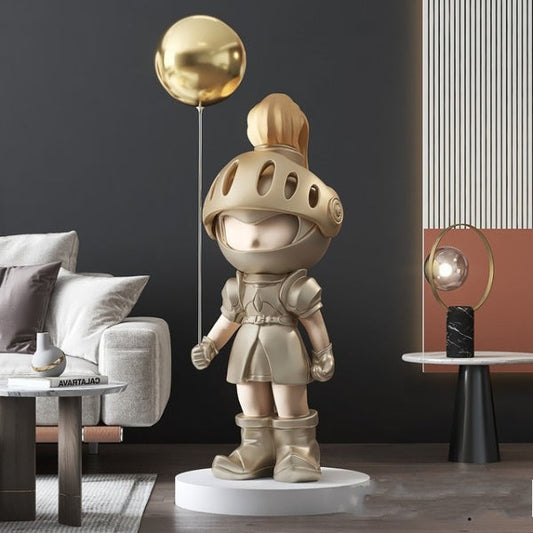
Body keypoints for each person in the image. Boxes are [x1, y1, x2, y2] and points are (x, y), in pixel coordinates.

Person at [191, 93, 343, 483]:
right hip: (246, 346)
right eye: (237, 225)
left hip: (284, 346)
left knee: (288, 396)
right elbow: (228, 320)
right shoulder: (237, 285)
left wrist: (323, 352)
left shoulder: (296, 285)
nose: (254, 237)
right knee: (249, 395)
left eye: (272, 224)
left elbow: (312, 321)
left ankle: (298, 450)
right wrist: (211, 344)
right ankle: (256, 447)